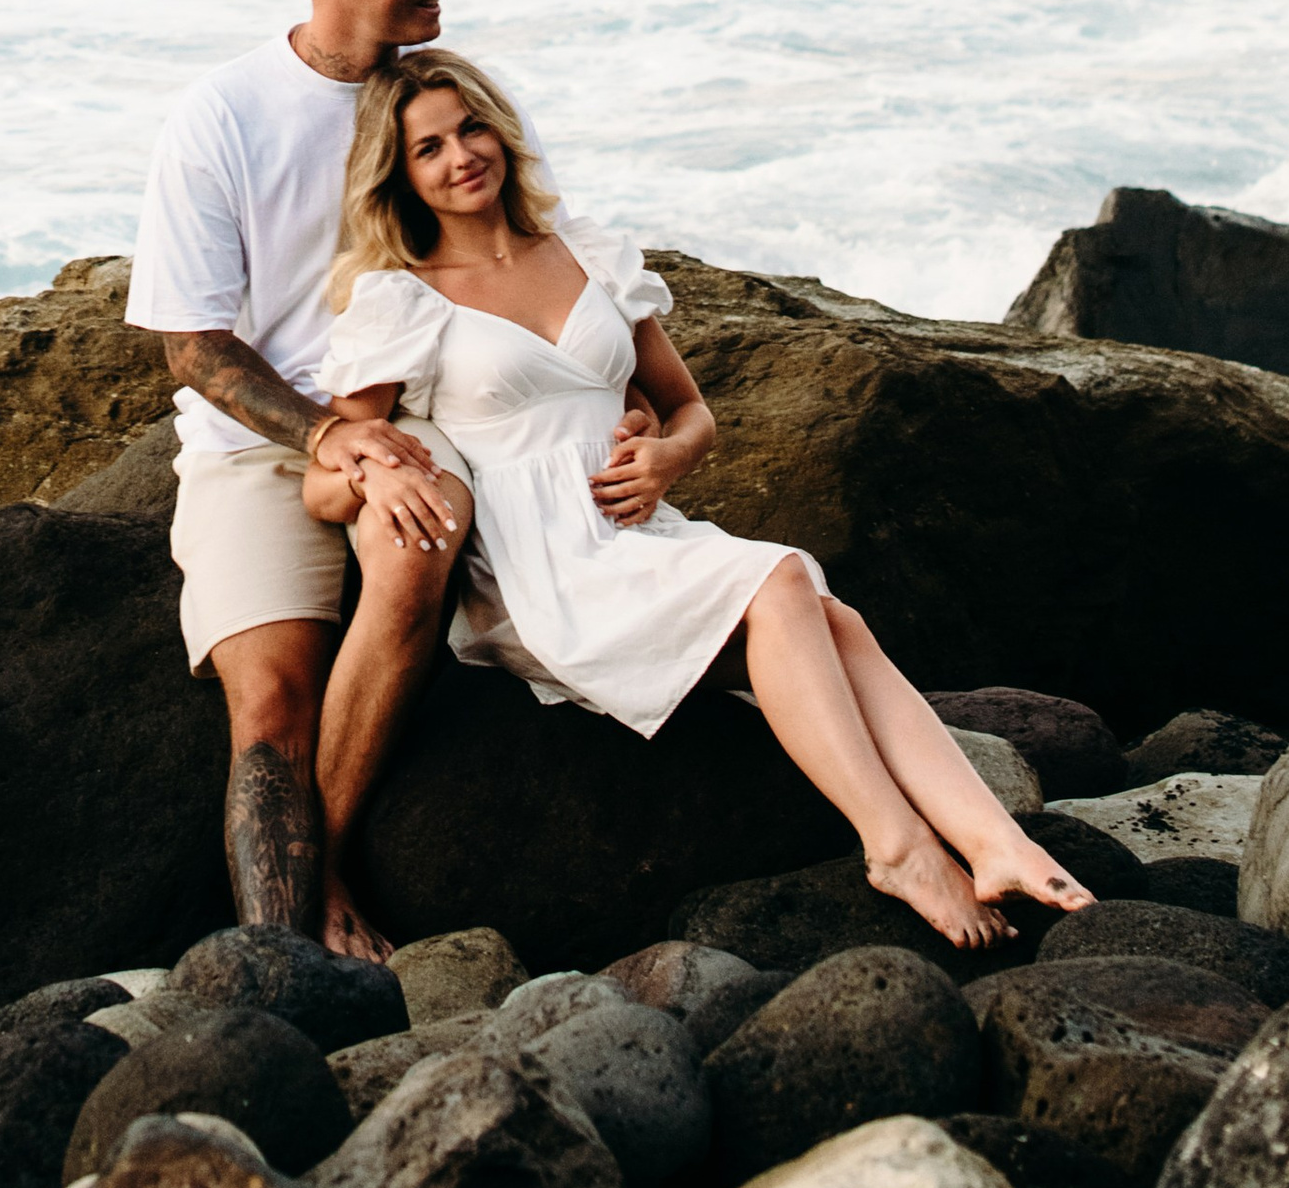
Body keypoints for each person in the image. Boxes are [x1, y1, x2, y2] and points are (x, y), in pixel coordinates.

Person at [304, 52, 1094, 950]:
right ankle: (899, 845)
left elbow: (690, 412)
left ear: (501, 130)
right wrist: (380, 471)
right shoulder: (404, 301)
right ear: (398, 175)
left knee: (834, 621)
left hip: (638, 532)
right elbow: (329, 477)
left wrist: (666, 462)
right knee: (787, 586)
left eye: (471, 127)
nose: (460, 157)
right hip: (544, 567)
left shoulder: (585, 253)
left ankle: (996, 841)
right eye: (428, 148)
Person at [127, 0, 543, 962]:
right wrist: (325, 431)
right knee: (266, 704)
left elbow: (523, 255)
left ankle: (323, 875)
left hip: (426, 417)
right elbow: (191, 341)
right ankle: (280, 960)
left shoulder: (433, 103)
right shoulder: (222, 116)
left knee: (416, 540)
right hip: (265, 447)